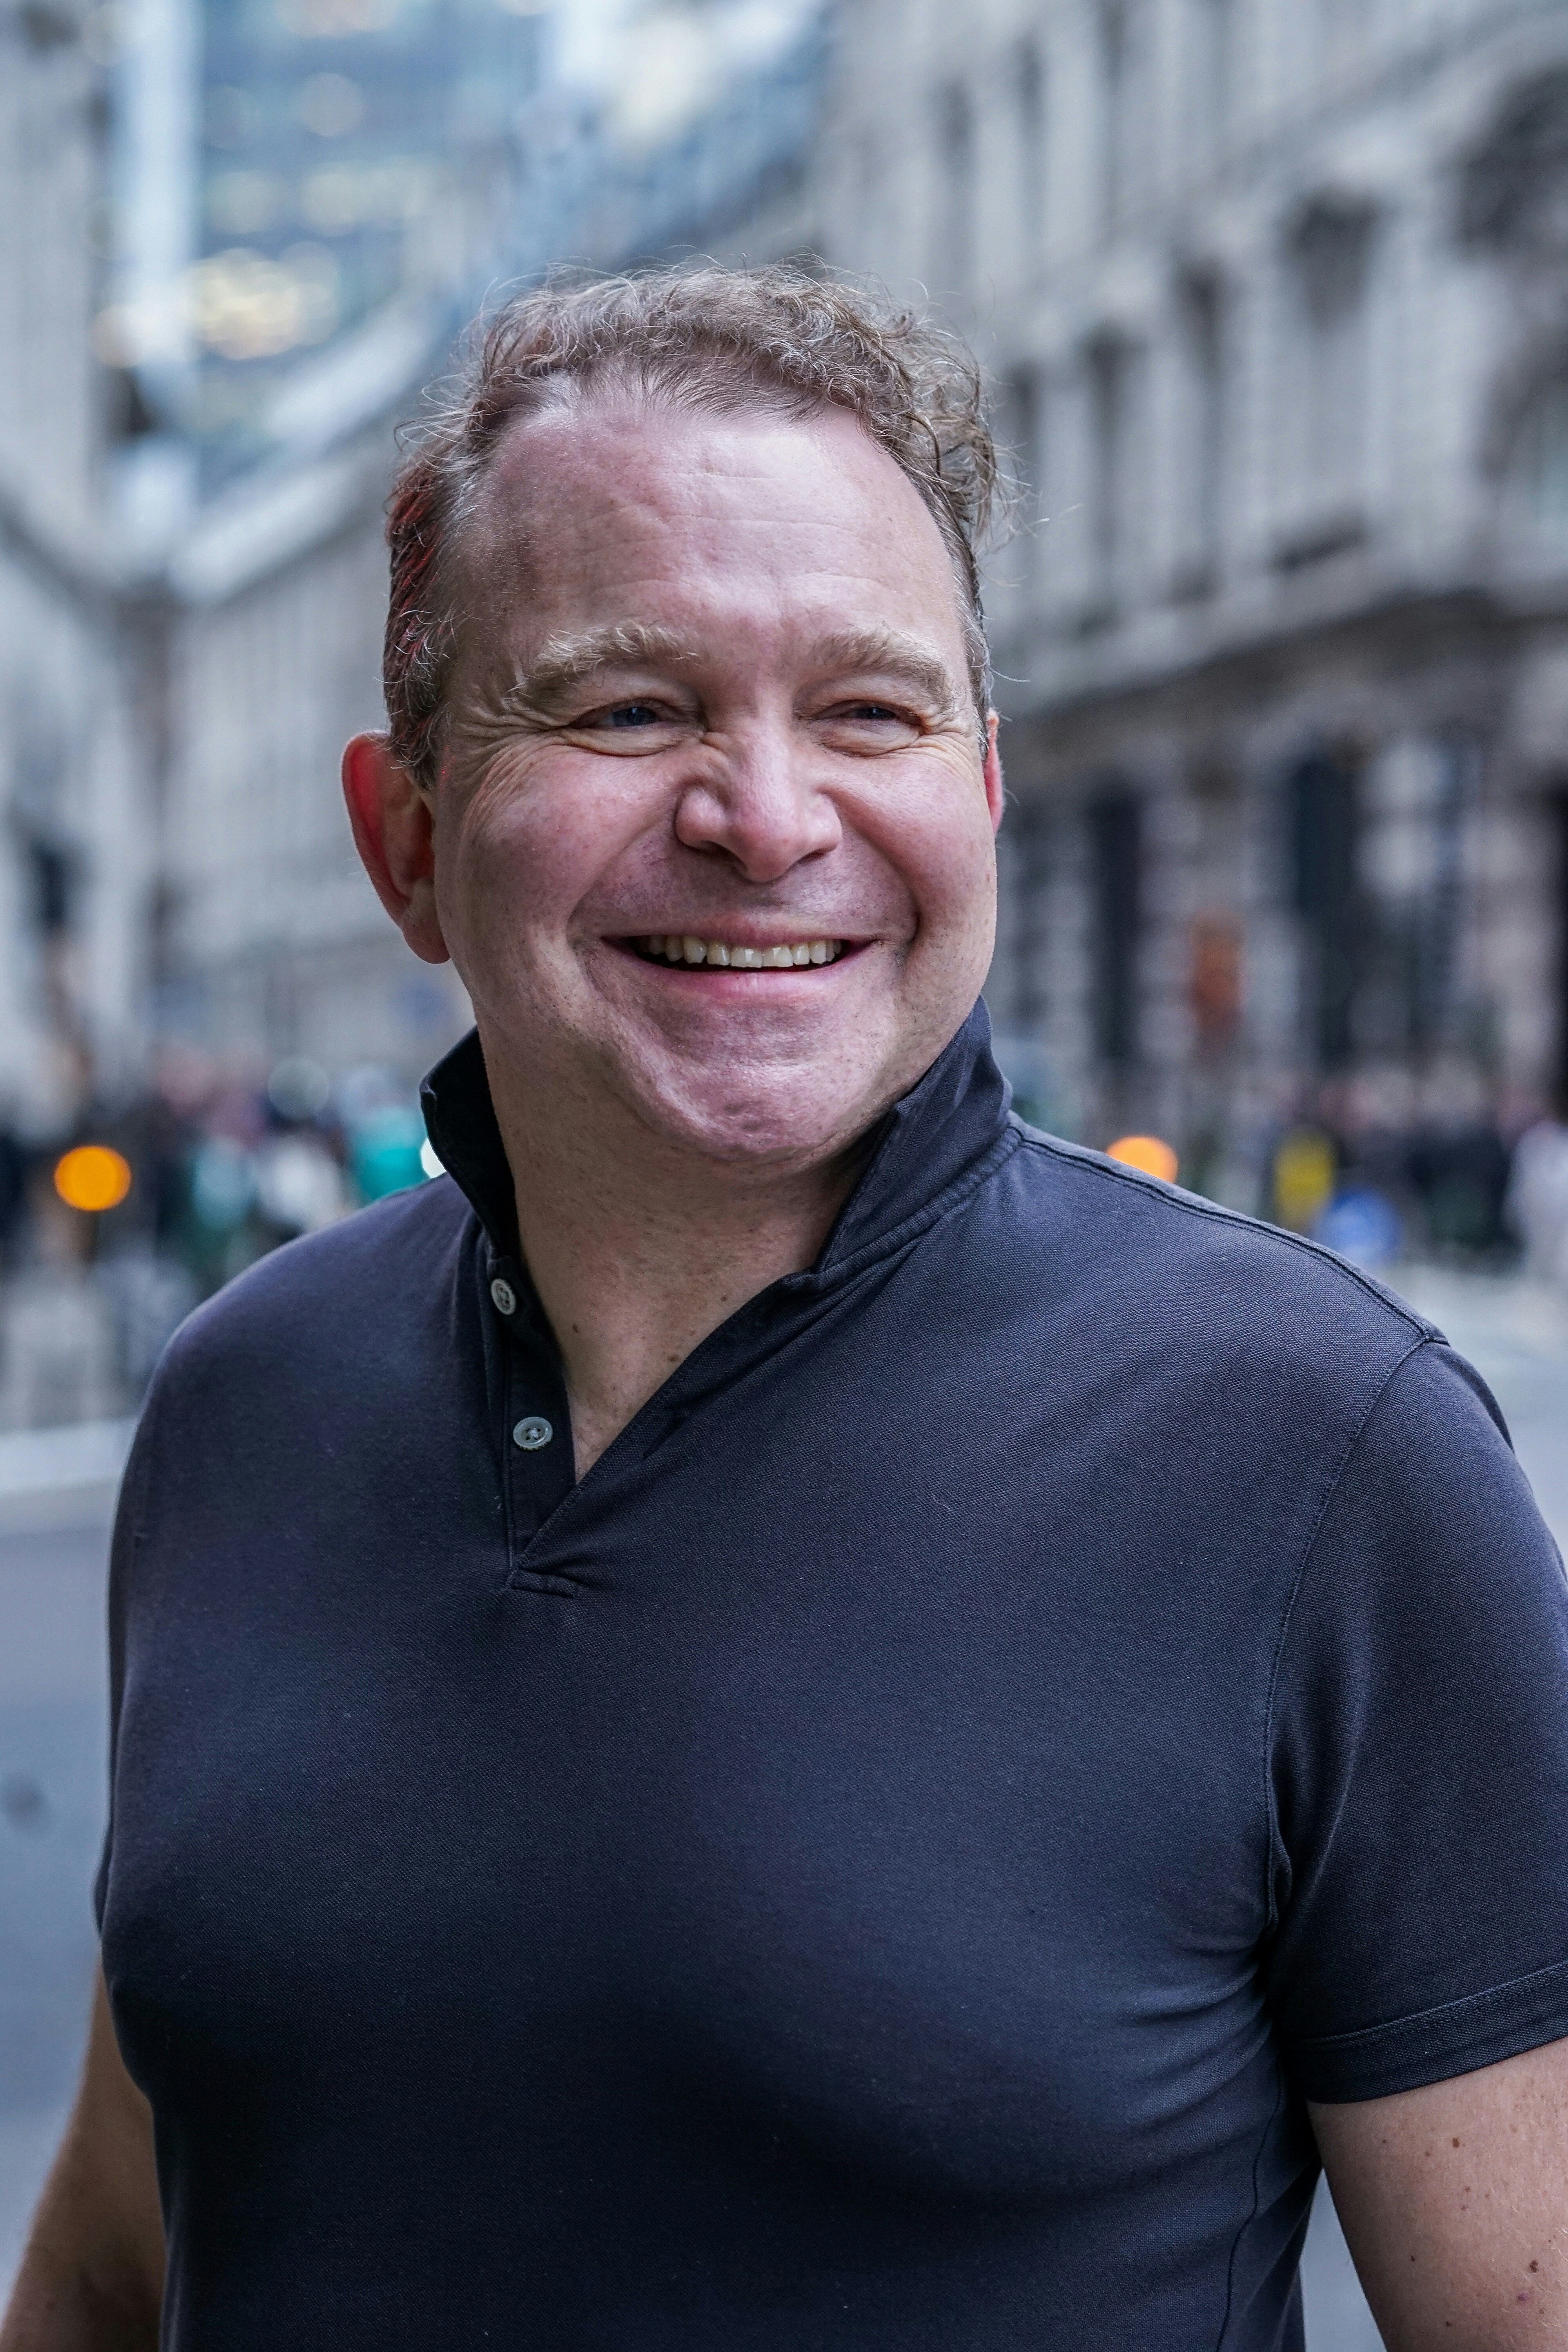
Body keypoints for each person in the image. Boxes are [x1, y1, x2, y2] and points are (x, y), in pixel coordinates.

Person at [5, 267, 1568, 2352]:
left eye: (870, 713)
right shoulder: (239, 1402)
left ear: (981, 798)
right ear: (409, 841)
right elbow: (120, 2263)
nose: (765, 818)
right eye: (628, 709)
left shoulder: (1328, 1449)